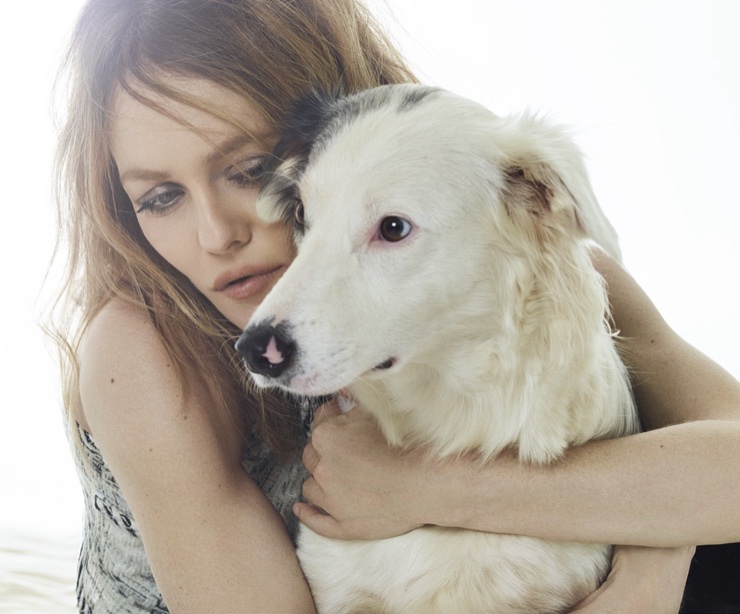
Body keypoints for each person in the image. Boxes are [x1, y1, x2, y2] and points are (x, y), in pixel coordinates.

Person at [48, 0, 740, 612]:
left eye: (250, 171)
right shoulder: (137, 354)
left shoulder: (520, 257)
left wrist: (650, 567)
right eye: (160, 198)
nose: (216, 234)